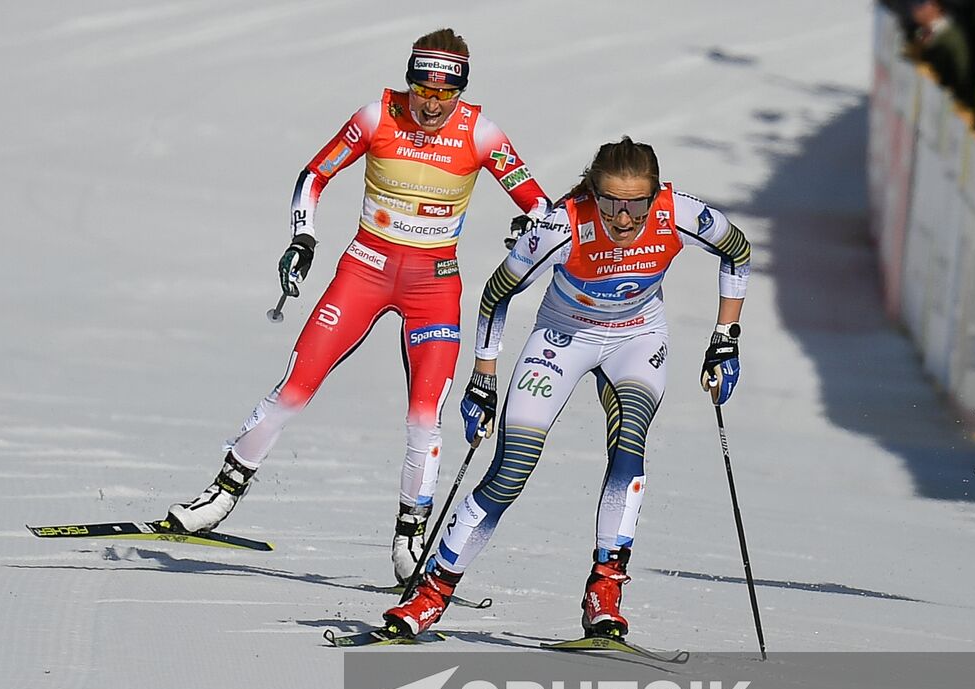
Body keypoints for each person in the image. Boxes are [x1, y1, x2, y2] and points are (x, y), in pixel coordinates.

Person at [166, 29, 551, 583]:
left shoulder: (481, 133)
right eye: (423, 88)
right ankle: (222, 493)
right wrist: (303, 236)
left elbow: (538, 202)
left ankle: (409, 537)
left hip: (434, 285)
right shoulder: (377, 117)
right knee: (296, 385)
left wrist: (529, 224)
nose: (432, 103)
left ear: (461, 91)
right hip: (365, 270)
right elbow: (315, 173)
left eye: (446, 94)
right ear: (410, 80)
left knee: (425, 416)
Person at [382, 136, 752, 639]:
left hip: (637, 337)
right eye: (610, 203)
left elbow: (738, 251)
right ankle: (431, 593)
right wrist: (483, 377)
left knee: (630, 446)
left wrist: (725, 336)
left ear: (656, 195)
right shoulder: (561, 227)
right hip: (563, 336)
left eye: (636, 204)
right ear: (591, 194)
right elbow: (497, 293)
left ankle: (606, 589)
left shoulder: (678, 213)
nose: (623, 219)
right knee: (511, 469)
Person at [908, 0, 973, 100]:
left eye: (922, 4)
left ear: (935, 6)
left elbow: (955, 76)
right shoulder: (923, 30)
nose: (915, 9)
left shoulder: (951, 37)